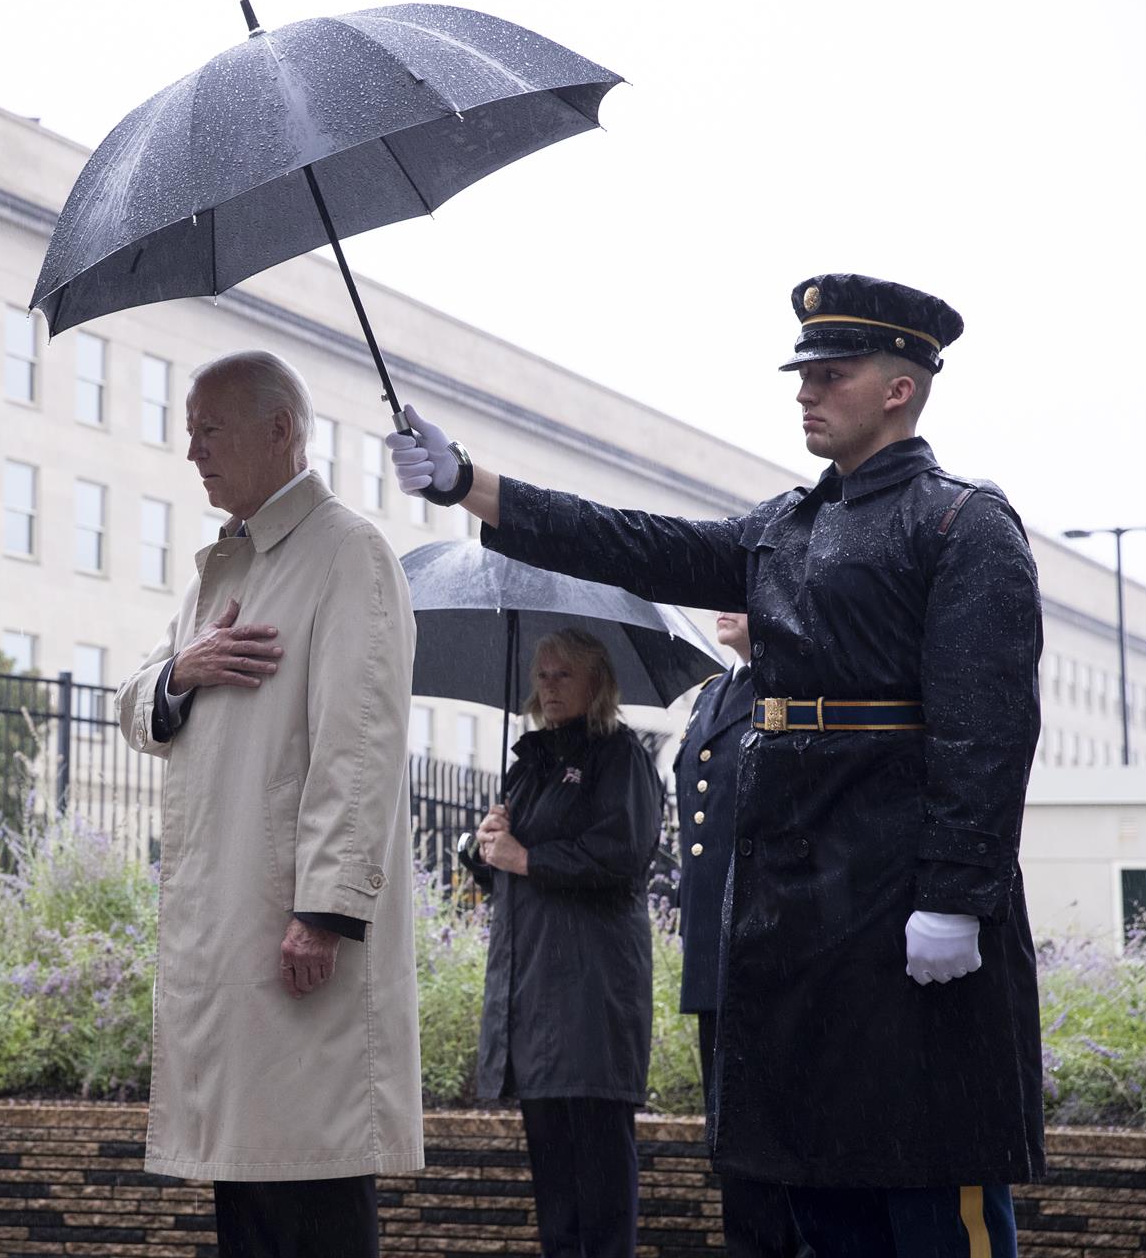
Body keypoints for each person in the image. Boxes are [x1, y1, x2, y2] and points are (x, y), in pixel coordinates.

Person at [385, 274, 1043, 1255]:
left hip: (901, 899)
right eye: (804, 372)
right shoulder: (784, 526)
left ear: (900, 388)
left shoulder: (961, 524)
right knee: (818, 1190)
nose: (805, 390)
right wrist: (470, 482)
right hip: (796, 917)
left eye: (832, 371)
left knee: (925, 1186)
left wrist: (955, 893)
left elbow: (985, 733)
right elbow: (637, 542)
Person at [117, 350, 424, 1257]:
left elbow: (359, 744)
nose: (191, 453)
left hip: (297, 935)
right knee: (249, 1196)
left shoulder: (349, 552)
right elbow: (136, 704)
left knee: (312, 1189)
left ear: (280, 430)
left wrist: (324, 912)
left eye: (208, 429)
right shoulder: (223, 569)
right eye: (188, 430)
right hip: (229, 932)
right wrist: (182, 668)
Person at [471, 628, 658, 1258]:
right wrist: (486, 847)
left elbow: (623, 856)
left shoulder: (619, 756)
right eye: (543, 676)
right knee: (554, 1185)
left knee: (599, 1175)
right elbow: (507, 870)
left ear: (597, 683)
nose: (549, 688)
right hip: (535, 999)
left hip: (591, 996)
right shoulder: (531, 763)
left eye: (564, 676)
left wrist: (527, 857)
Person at [673, 614, 806, 1257]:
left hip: (767, 942)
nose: (723, 606)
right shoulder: (713, 693)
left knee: (776, 1137)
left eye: (742, 592)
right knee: (729, 1136)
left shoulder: (790, 686)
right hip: (712, 948)